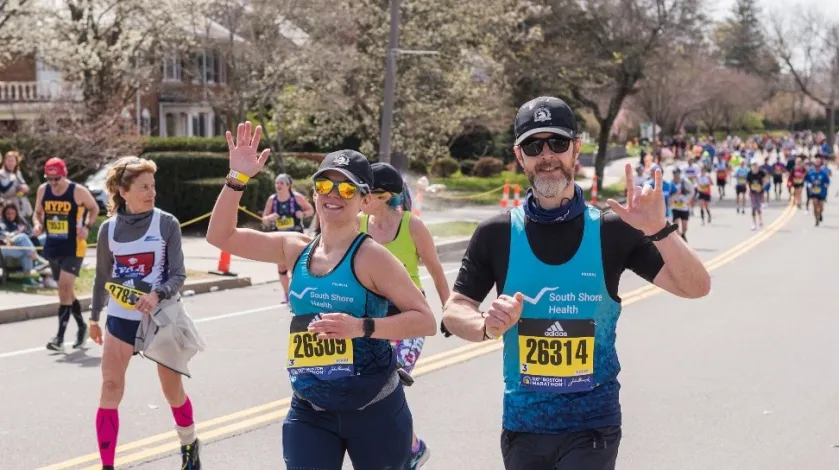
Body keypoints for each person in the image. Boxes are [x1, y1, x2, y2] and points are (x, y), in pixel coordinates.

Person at [441, 96, 711, 470]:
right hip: (523, 426)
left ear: (576, 149)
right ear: (520, 157)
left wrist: (660, 231)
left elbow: (695, 286)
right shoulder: (496, 234)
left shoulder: (613, 230)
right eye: (535, 146)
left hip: (593, 426)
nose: (547, 155)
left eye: (558, 143)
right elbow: (454, 310)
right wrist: (485, 326)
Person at [206, 122, 436, 469]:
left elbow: (425, 320)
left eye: (347, 189)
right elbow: (220, 236)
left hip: (373, 407)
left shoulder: (372, 257)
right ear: (313, 193)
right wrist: (237, 178)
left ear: (364, 200)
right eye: (325, 185)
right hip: (310, 406)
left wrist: (361, 327)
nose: (333, 194)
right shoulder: (294, 248)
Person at [88, 156, 202, 470]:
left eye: (153, 186)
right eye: (143, 187)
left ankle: (189, 444)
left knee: (172, 391)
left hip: (159, 318)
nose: (151, 193)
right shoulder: (108, 229)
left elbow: (178, 275)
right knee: (110, 388)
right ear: (123, 192)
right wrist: (94, 317)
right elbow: (102, 277)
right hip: (120, 319)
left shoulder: (166, 223)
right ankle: (107, 465)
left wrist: (156, 293)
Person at [359, 162, 450, 469]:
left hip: (410, 318)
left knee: (391, 377)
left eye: (366, 191)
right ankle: (411, 446)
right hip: (374, 323)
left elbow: (436, 270)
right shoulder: (358, 225)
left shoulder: (412, 225)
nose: (361, 197)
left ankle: (404, 449)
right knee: (373, 387)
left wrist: (449, 309)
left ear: (383, 196)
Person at [33, 157, 100, 351]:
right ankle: (81, 327)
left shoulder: (77, 191)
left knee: (64, 286)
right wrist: (38, 224)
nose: (54, 183)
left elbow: (94, 207)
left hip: (74, 246)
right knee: (66, 292)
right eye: (50, 179)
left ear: (65, 175)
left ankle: (59, 338)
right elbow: (37, 212)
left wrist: (87, 226)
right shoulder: (43, 190)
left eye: (57, 179)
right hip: (53, 245)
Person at [261, 173, 314, 302]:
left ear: (288, 185)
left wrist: (302, 213)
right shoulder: (272, 200)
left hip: (295, 236)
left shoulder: (296, 197)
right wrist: (269, 218)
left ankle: (299, 293)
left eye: (281, 183)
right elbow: (264, 219)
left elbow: (311, 210)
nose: (278, 185)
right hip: (279, 237)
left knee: (295, 266)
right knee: (281, 267)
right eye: (277, 183)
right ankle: (286, 294)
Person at [1, 201, 49, 286]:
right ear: (4, 213)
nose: (10, 215)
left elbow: (30, 231)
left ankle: (28, 280)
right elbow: (5, 237)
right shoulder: (2, 223)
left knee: (45, 238)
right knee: (22, 237)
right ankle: (37, 260)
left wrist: (31, 233)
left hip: (24, 244)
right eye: (8, 213)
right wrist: (16, 233)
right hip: (6, 247)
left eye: (13, 213)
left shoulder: (20, 221)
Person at [0, 150, 33, 219]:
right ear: (5, 162)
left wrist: (25, 188)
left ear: (16, 162)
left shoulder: (18, 173)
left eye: (12, 161)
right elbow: (3, 192)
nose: (10, 163)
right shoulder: (1, 174)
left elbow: (24, 186)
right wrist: (15, 187)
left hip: (23, 208)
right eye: (8, 161)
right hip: (9, 209)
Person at [805, 155, 830, 226]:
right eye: (815, 166)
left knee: (821, 207)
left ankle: (820, 214)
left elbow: (827, 181)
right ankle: (816, 219)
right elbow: (807, 180)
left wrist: (826, 185)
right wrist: (809, 184)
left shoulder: (823, 173)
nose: (817, 167)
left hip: (822, 192)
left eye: (818, 166)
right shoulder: (811, 173)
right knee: (815, 205)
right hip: (813, 192)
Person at [746, 161, 767, 231]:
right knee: (753, 208)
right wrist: (748, 190)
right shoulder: (749, 173)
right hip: (752, 193)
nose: (755, 167)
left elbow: (765, 181)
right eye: (753, 166)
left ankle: (760, 220)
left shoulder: (761, 173)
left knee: (758, 207)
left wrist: (761, 187)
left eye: (756, 166)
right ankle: (754, 224)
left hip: (759, 192)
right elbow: (747, 183)